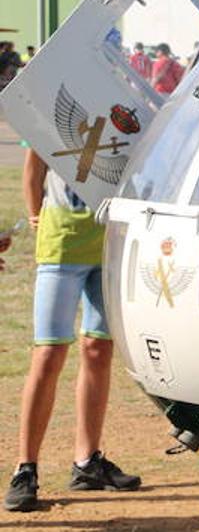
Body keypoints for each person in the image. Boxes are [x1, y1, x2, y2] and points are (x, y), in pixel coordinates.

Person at [5, 151, 140, 512]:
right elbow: (35, 163)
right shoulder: (55, 110)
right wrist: (35, 213)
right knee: (49, 353)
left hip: (110, 240)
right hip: (61, 242)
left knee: (98, 349)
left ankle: (87, 462)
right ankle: (25, 468)